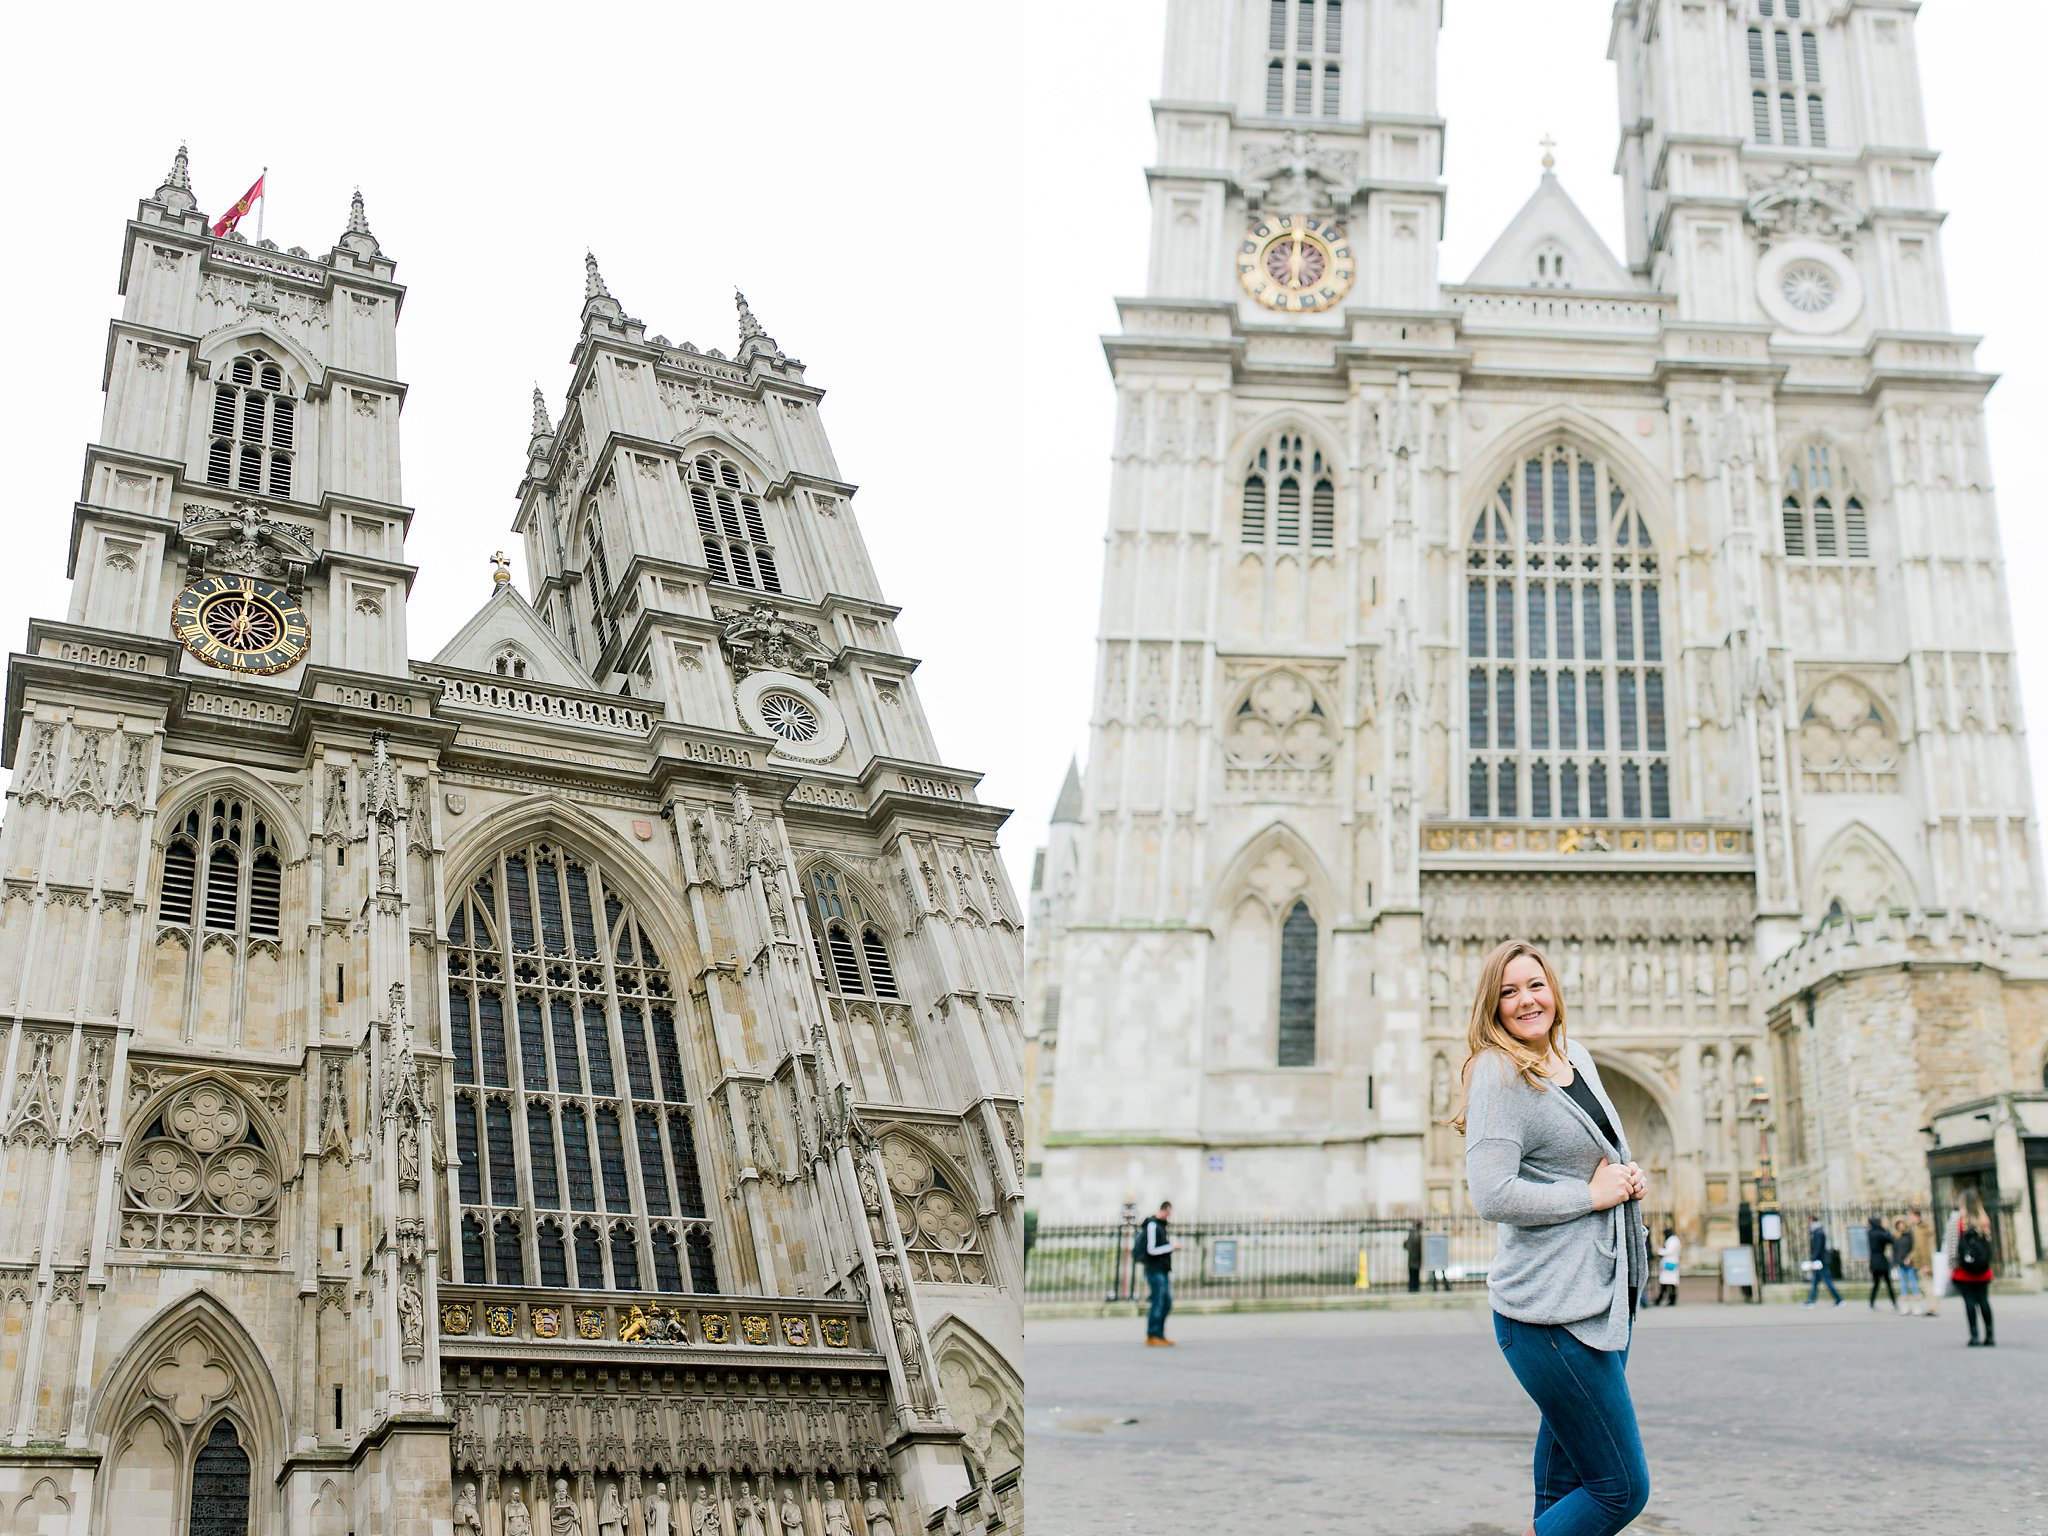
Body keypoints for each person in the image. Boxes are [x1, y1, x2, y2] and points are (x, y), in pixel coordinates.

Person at [1454, 937, 1651, 1536]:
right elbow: (1492, 1194)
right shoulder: (1496, 1072)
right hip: (1548, 1313)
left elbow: (1586, 1155)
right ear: (1493, 1006)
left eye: (1535, 985)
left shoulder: (1577, 1058)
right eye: (1509, 992)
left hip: (1600, 1299)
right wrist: (1591, 1195)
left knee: (1567, 1485)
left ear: (1555, 989)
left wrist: (1623, 1172)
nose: (1526, 1000)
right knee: (1620, 1490)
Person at [1945, 1189, 1996, 1347]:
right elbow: (1988, 1244)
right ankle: (1989, 1335)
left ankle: (1974, 1335)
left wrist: (1952, 1265)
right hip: (1982, 1269)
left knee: (1969, 1301)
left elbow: (1952, 1245)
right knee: (1984, 1301)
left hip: (1964, 1269)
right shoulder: (1984, 1219)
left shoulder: (1957, 1220)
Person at [1138, 1200, 1176, 1346]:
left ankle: (1159, 1334)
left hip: (1162, 1269)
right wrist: (1170, 1247)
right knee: (1158, 1301)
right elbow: (1151, 1249)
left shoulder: (1160, 1226)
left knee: (1166, 1302)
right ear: (1165, 1210)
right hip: (1154, 1270)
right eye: (1169, 1213)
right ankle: (1153, 1334)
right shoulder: (1152, 1225)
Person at [1801, 1215, 1843, 1307]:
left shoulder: (1818, 1232)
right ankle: (1811, 1300)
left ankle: (1839, 1299)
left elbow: (1818, 1247)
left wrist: (1813, 1258)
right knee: (1815, 1281)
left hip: (1820, 1261)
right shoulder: (1816, 1231)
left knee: (1827, 1281)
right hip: (1819, 1261)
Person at [1907, 1207, 1939, 1318]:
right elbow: (1917, 1247)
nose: (1909, 1218)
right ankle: (1931, 1307)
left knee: (1928, 1286)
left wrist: (1928, 1265)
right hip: (1920, 1262)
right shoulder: (1917, 1229)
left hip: (1925, 1262)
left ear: (1916, 1216)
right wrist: (1910, 1257)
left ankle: (1934, 1308)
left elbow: (1927, 1248)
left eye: (1910, 1216)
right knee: (1925, 1286)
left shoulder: (1924, 1229)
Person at [1892, 1218, 1923, 1315]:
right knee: (1903, 1285)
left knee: (1914, 1284)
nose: (1900, 1226)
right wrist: (1895, 1262)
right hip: (1901, 1263)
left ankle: (1916, 1307)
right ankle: (1905, 1307)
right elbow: (1895, 1251)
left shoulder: (1910, 1235)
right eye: (1898, 1225)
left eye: (1902, 1224)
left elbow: (1914, 1248)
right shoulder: (1896, 1237)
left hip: (1910, 1263)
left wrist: (1910, 1258)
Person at [1865, 1214, 1896, 1311]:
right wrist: (1886, 1229)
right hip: (1881, 1260)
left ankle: (1871, 1301)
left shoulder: (1870, 1232)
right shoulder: (1880, 1233)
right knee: (1888, 1282)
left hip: (1874, 1260)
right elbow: (1891, 1239)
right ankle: (1894, 1302)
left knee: (1876, 1283)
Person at [1656, 1227, 1680, 1306]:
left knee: (1667, 1281)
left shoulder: (1672, 1240)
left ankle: (1669, 1298)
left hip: (1669, 1263)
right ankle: (1669, 1298)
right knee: (1669, 1281)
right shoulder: (1675, 1239)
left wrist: (1659, 1251)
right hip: (1671, 1262)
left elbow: (1668, 1251)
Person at [1405, 1219, 1423, 1293]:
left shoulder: (1411, 1234)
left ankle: (1411, 1288)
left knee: (1412, 1275)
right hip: (1417, 1258)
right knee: (1416, 1275)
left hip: (1411, 1258)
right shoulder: (1419, 1235)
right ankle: (1415, 1288)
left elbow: (1406, 1245)